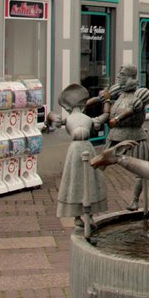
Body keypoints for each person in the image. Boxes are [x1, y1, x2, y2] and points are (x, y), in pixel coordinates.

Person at [45, 84, 108, 225]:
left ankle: (78, 216)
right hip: (88, 148)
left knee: (74, 180)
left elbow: (51, 115)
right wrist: (106, 101)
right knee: (89, 179)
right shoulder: (87, 119)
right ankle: (89, 214)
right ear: (84, 104)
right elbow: (105, 116)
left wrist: (48, 121)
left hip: (74, 151)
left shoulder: (67, 119)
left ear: (67, 106)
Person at [99, 64, 149, 211]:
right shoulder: (119, 92)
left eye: (122, 75)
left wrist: (116, 118)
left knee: (140, 170)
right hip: (115, 133)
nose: (118, 77)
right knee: (99, 163)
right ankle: (94, 197)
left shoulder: (140, 94)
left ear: (131, 77)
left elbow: (134, 108)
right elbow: (105, 102)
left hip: (135, 134)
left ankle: (135, 200)